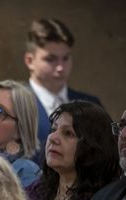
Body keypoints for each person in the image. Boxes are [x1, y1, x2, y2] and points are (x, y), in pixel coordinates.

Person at [7, 101, 120, 200]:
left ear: (93, 146)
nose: (53, 138)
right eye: (53, 130)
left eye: (68, 134)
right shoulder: (35, 190)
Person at [24, 18, 103, 162]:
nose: (60, 67)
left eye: (66, 58)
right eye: (50, 59)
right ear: (30, 61)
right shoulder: (13, 102)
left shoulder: (91, 104)